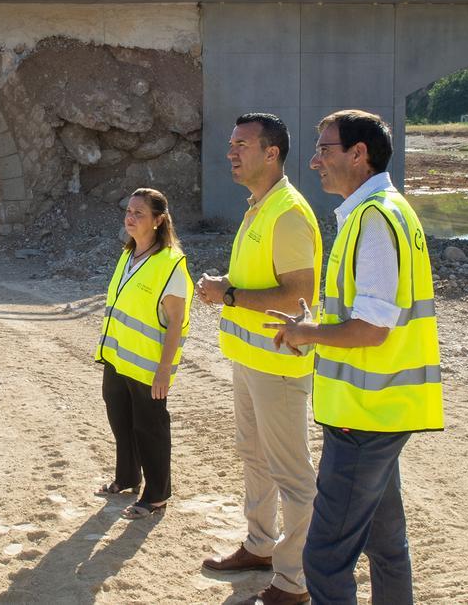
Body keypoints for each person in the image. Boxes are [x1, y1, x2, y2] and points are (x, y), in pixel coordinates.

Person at [265, 110, 444, 604]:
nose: (314, 160)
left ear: (358, 154)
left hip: (364, 419)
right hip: (382, 411)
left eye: (325, 149)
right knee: (386, 545)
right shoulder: (390, 209)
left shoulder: (374, 219)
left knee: (324, 558)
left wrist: (308, 332)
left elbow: (371, 329)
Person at [196, 113, 322, 605]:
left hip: (280, 364)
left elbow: (297, 297)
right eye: (231, 143)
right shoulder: (259, 208)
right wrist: (228, 291)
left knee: (292, 474)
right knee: (254, 456)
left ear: (271, 153)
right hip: (252, 361)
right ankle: (260, 546)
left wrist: (227, 295)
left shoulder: (288, 212)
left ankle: (295, 581)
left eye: (242, 144)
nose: (231, 152)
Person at [94, 187, 194, 520]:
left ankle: (156, 495)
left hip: (149, 364)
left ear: (158, 220)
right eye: (129, 211)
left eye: (139, 213)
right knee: (120, 419)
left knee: (149, 428)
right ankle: (126, 477)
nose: (131, 217)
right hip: (119, 357)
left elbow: (176, 322)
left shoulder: (170, 264)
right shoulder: (127, 255)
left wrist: (165, 370)